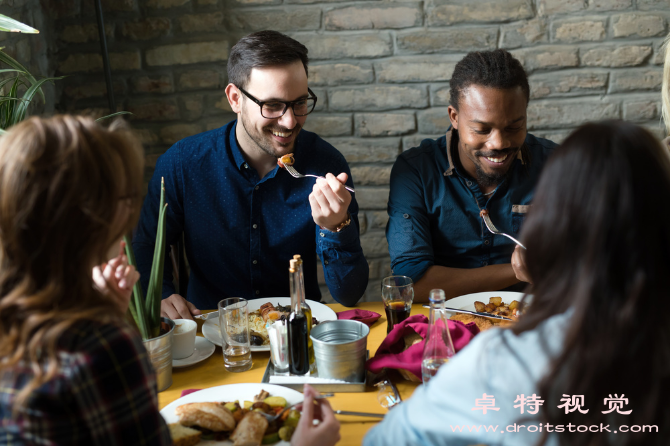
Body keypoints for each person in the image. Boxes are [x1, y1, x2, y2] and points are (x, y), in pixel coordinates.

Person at [365, 121, 670, 446]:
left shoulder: (501, 363)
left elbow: (386, 439)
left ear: (553, 224)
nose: (498, 143)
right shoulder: (418, 167)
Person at [133, 30, 368, 319]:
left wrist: (336, 228)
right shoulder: (183, 163)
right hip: (209, 328)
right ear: (235, 98)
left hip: (295, 328)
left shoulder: (326, 164)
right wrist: (162, 294)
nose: (290, 120)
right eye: (272, 106)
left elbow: (350, 293)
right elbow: (146, 244)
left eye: (299, 102)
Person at [0, 116, 171, 445]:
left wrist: (106, 311)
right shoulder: (101, 346)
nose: (128, 214)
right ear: (88, 221)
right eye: (121, 200)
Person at [386, 49, 557, 302]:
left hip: (532, 322)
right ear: (454, 117)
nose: (498, 143)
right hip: (445, 324)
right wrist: (518, 271)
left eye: (514, 127)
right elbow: (412, 284)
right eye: (481, 129)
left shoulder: (556, 165)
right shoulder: (416, 171)